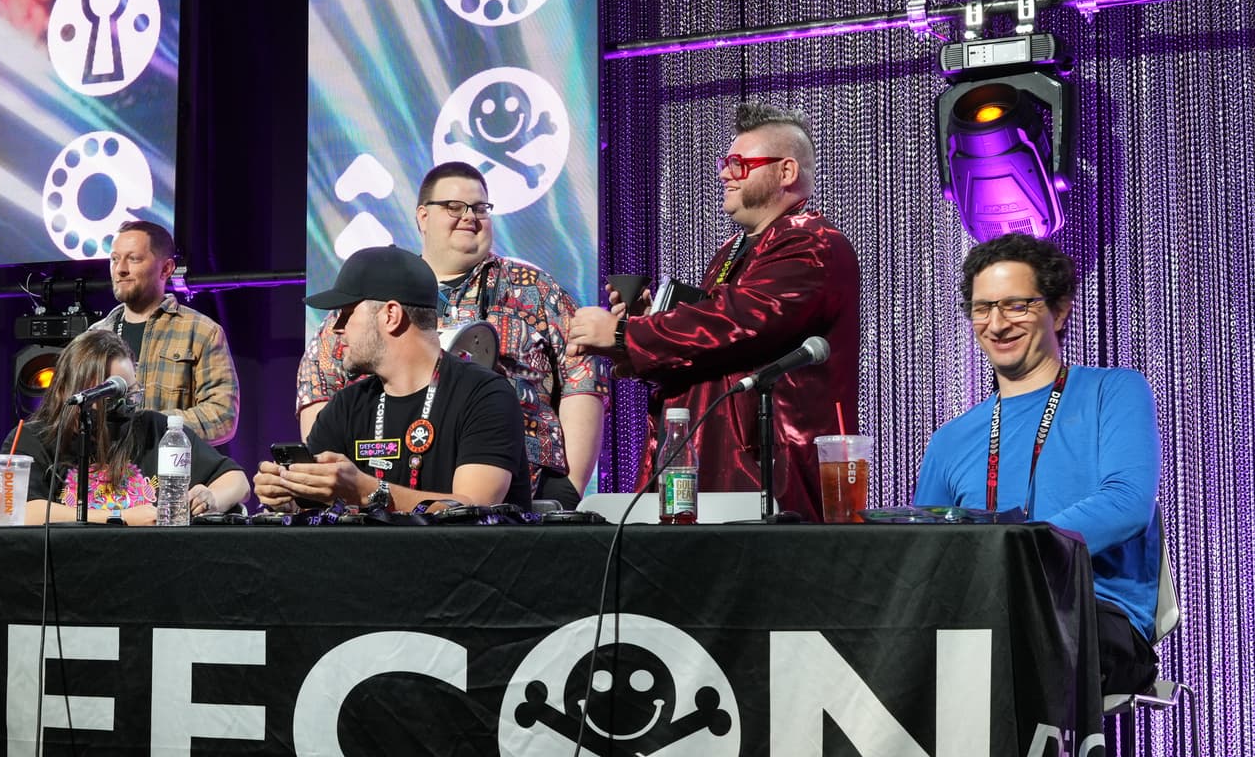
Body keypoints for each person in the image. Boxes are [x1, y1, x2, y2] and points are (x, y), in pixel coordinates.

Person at [566, 101, 859, 522]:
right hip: (710, 460)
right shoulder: (735, 249)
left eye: (739, 164)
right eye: (726, 163)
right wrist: (646, 327)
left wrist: (622, 334)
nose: (724, 174)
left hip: (766, 468)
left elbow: (740, 320)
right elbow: (710, 344)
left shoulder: (811, 242)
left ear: (786, 172)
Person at [912, 233, 1162, 696]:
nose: (996, 323)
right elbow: (925, 549)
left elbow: (1127, 503)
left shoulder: (1114, 391)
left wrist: (1014, 551)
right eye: (983, 308)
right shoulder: (950, 440)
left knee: (998, 649)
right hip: (979, 615)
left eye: (1016, 306)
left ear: (1060, 310)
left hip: (1091, 614)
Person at [296, 162, 607, 504]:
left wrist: (572, 483)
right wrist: (317, 483)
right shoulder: (376, 295)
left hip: (525, 490)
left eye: (480, 208)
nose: (469, 216)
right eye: (454, 207)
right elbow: (319, 381)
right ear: (423, 217)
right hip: (393, 486)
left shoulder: (537, 290)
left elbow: (582, 375)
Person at [258, 246, 530, 514]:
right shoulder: (348, 405)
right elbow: (318, 504)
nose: (336, 327)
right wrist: (292, 496)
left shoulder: (485, 395)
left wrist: (369, 492)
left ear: (391, 315)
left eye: (346, 313)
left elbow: (473, 508)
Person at [9, 329, 249, 525]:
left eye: (131, 392)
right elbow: (21, 512)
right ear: (75, 392)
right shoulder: (33, 439)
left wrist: (212, 498)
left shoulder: (156, 430)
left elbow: (236, 480)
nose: (126, 406)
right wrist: (120, 517)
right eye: (114, 396)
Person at [90, 220, 240, 446]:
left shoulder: (201, 331)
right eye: (114, 259)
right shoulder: (95, 335)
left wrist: (151, 426)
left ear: (166, 269)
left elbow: (222, 416)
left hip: (169, 474)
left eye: (134, 259)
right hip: (103, 474)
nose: (120, 268)